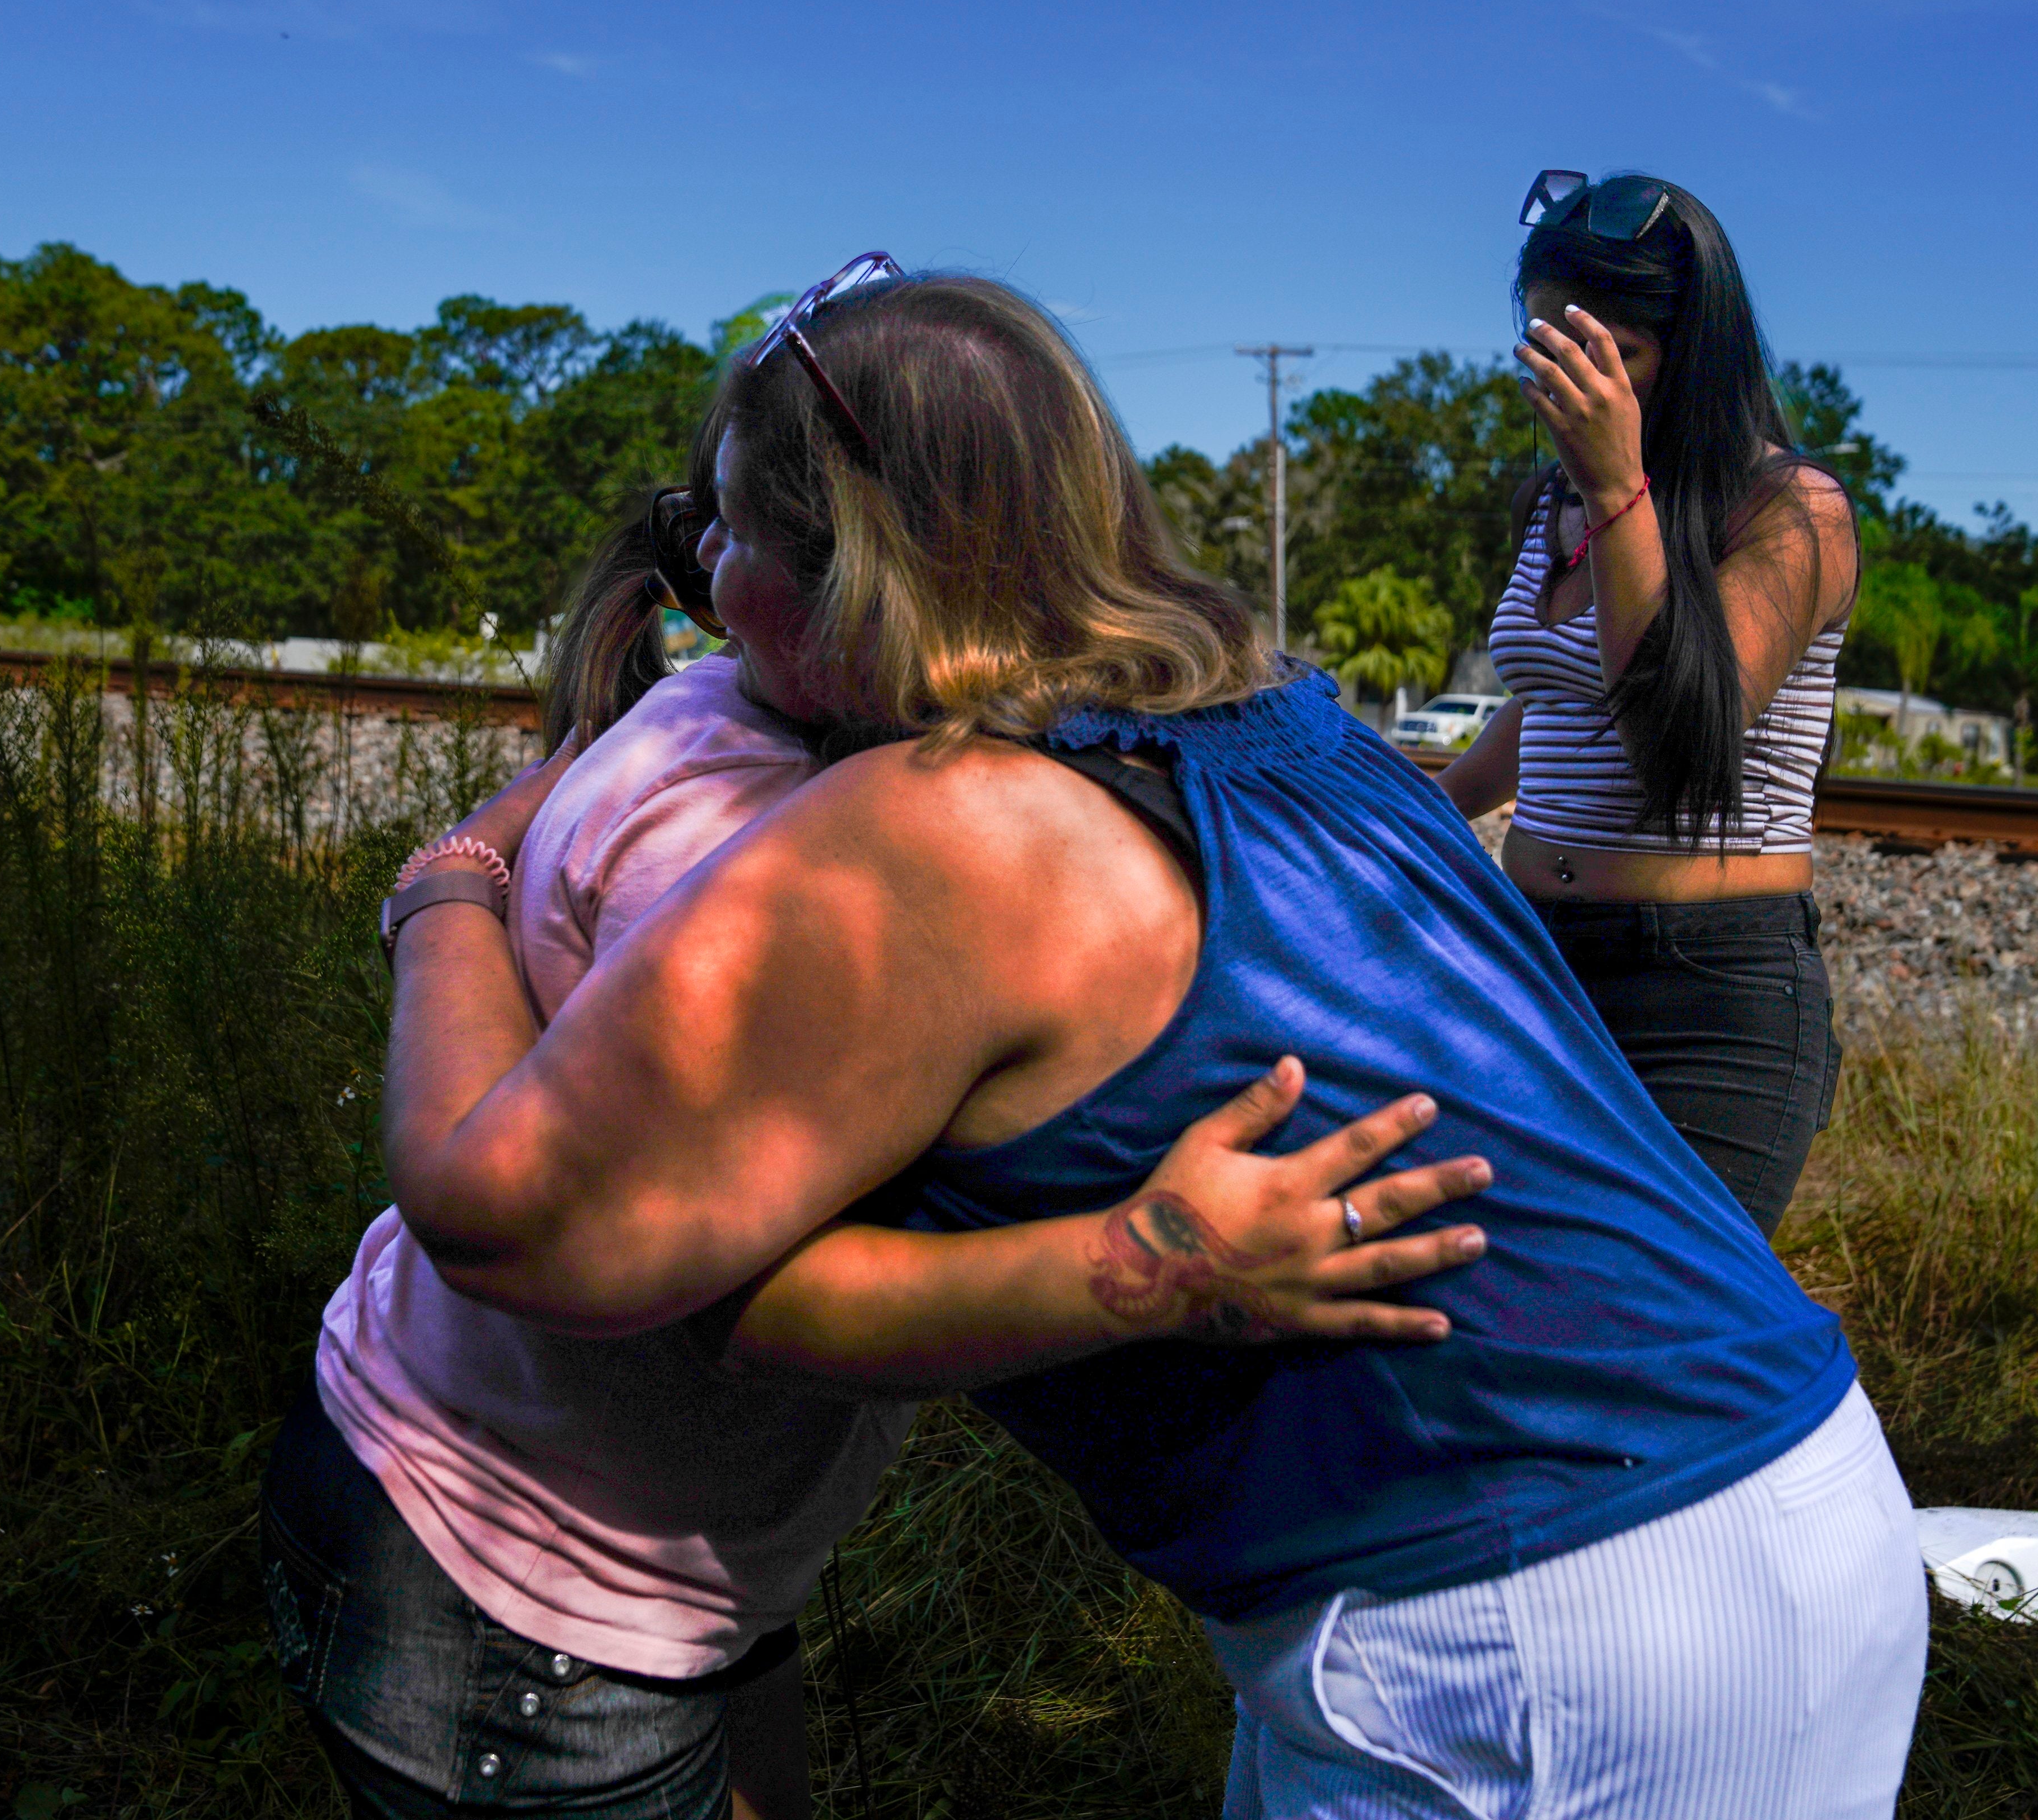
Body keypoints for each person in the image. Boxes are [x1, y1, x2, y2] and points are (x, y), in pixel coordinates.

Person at [380, 258, 1925, 1819]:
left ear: (859, 569)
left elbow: (505, 1217)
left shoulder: (943, 829)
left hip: (1532, 1626)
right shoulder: (1287, 721)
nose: (706, 576)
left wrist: (446, 889)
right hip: (1779, 1475)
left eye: (737, 532)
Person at [264, 449, 1486, 1820]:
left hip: (607, 1546)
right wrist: (1153, 1262)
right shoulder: (742, 849)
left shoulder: (751, 720)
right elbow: (714, 1304)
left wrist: (451, 875)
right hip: (528, 1586)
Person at [1434, 172, 1862, 1236]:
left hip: (1701, 992)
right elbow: (1554, 702)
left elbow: (1676, 728)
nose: (1569, 384)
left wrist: (1616, 489)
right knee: (1505, 1292)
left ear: (1694, 350)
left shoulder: (1789, 510)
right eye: (1549, 349)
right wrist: (1416, 809)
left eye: (1608, 354)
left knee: (1659, 1313)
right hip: (1535, 956)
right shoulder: (1554, 502)